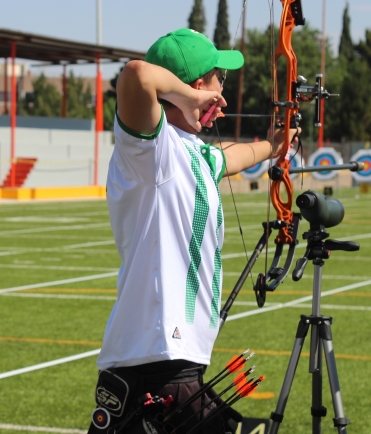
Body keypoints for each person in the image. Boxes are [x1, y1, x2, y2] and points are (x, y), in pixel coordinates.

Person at [88, 29, 295, 433]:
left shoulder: (191, 152)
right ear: (196, 86)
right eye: (218, 82)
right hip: (154, 361)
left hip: (173, 363)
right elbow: (135, 76)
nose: (222, 99)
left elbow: (229, 157)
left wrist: (273, 145)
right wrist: (192, 97)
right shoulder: (150, 150)